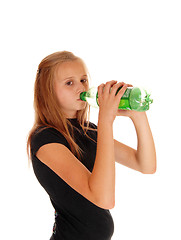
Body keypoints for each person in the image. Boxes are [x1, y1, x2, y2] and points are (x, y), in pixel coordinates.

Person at [27, 51, 156, 240]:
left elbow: (145, 165)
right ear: (48, 90)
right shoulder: (46, 139)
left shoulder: (88, 131)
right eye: (69, 83)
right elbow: (104, 198)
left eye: (83, 80)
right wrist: (106, 120)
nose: (81, 87)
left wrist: (137, 115)